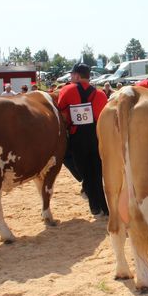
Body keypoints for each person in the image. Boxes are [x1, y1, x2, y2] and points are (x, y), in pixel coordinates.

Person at [57, 64, 109, 217]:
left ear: (78, 76)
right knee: (97, 173)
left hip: (77, 135)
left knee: (83, 171)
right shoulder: (100, 94)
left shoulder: (67, 90)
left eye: (72, 75)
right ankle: (105, 208)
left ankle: (95, 207)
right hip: (96, 135)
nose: (71, 77)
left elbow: (60, 110)